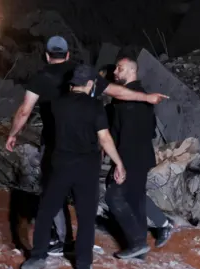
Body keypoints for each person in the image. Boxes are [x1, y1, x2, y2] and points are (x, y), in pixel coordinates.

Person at [5, 36, 168, 257]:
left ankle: (58, 242)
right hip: (86, 151)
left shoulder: (41, 78)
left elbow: (25, 110)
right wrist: (146, 98)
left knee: (53, 195)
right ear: (68, 55)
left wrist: (13, 134)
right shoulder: (83, 77)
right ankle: (86, 251)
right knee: (87, 202)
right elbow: (116, 94)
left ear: (47, 55)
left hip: (56, 146)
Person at [20, 64, 126, 269]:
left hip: (61, 164)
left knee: (46, 210)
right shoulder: (95, 106)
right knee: (86, 217)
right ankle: (83, 263)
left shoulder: (57, 104)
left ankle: (37, 257)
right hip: (87, 167)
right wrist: (118, 162)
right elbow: (104, 138)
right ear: (89, 83)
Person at [104, 56, 162, 259]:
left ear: (131, 71)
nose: (115, 72)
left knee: (114, 197)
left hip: (131, 158)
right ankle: (139, 250)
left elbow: (127, 136)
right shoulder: (140, 96)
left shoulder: (130, 101)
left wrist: (120, 165)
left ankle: (137, 243)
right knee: (135, 200)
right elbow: (151, 130)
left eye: (119, 68)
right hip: (142, 157)